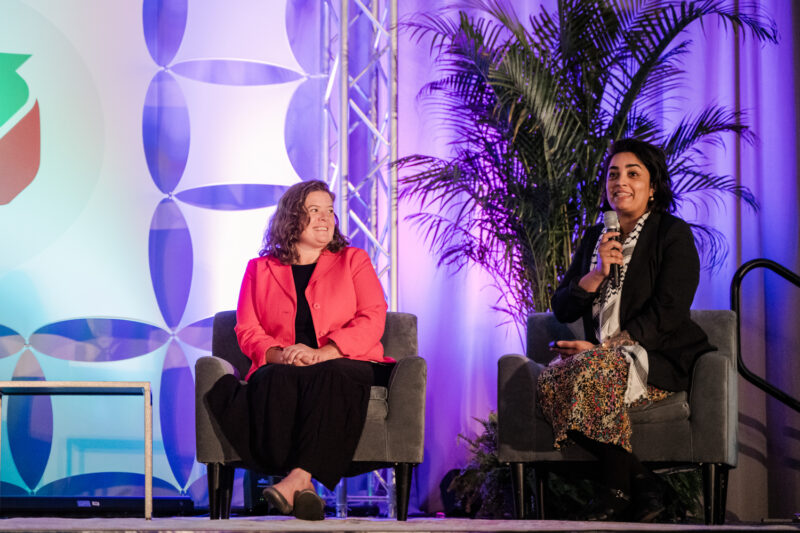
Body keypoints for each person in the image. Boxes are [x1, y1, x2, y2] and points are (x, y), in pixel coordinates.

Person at [538, 138, 714, 522]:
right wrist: (597, 273)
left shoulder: (672, 233)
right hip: (600, 358)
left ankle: (616, 492)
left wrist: (606, 351)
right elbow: (563, 305)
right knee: (549, 381)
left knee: (591, 372)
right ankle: (647, 485)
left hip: (657, 358)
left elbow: (669, 310)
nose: (620, 181)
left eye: (633, 174)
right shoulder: (595, 238)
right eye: (613, 173)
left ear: (653, 188)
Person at [206, 180, 394, 520]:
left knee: (334, 374)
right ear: (292, 217)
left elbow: (373, 317)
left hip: (344, 360)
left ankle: (297, 478)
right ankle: (303, 489)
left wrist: (326, 351)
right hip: (285, 362)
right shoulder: (259, 269)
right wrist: (280, 354)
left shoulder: (354, 260)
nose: (326, 219)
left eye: (330, 212)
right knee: (274, 377)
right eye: (314, 211)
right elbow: (248, 329)